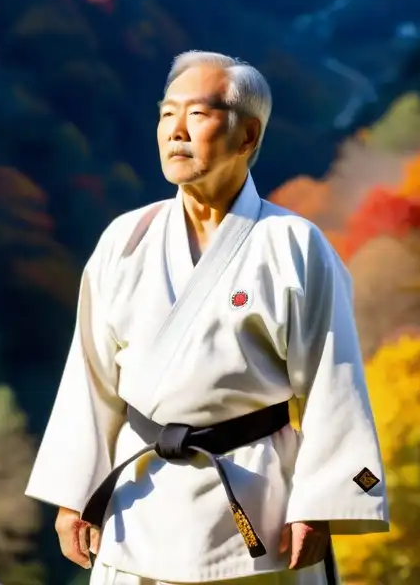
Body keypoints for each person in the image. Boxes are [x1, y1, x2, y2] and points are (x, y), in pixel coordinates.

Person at [25, 51, 389, 585]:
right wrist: (74, 493)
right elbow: (90, 380)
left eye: (196, 115)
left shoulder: (292, 245)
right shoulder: (125, 240)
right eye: (166, 114)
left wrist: (321, 503)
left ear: (247, 137)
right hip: (138, 504)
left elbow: (336, 384)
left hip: (251, 510)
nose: (175, 131)